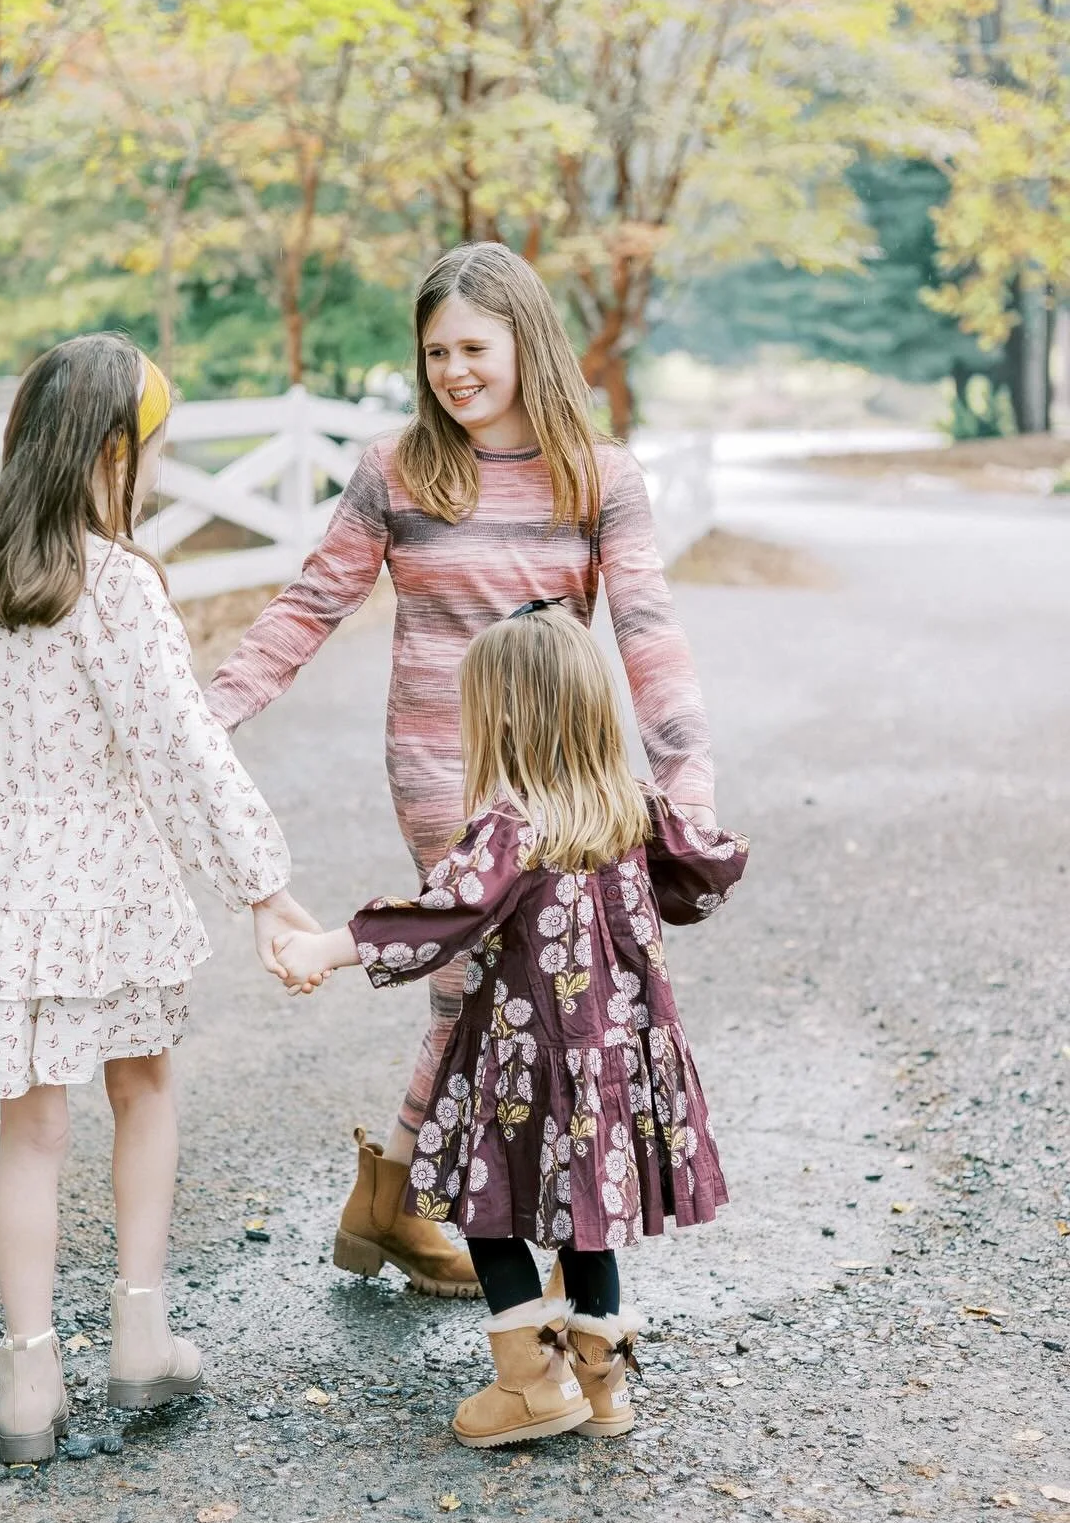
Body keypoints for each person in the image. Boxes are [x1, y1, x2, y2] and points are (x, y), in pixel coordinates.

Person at [207, 241, 719, 1301]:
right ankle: (481, 1259)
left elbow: (649, 634)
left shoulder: (600, 476)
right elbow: (312, 603)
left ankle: (397, 1200)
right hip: (445, 768)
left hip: (568, 778)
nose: (453, 371)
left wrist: (688, 784)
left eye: (474, 346)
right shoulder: (399, 469)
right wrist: (209, 718)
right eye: (435, 350)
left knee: (499, 1000)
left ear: (526, 340)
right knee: (477, 992)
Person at [0, 333, 314, 1464]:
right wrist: (262, 890)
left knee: (28, 1131)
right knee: (145, 1088)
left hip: (1, 874)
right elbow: (178, 746)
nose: (156, 469)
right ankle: (140, 1332)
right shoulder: (115, 582)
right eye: (152, 448)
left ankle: (30, 1380)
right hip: (107, 877)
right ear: (111, 449)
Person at [273, 605, 748, 1448]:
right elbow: (705, 868)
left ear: (505, 718)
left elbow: (438, 917)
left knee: (487, 1211)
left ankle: (531, 1386)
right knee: (588, 1218)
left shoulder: (509, 829)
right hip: (613, 1066)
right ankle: (604, 1393)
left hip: (525, 1066)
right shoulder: (632, 811)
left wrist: (322, 946)